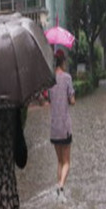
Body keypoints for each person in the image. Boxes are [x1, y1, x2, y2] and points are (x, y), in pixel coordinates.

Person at [48, 48, 76, 196]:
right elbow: (72, 101)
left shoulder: (50, 79)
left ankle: (59, 190)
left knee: (59, 161)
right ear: (63, 61)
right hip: (64, 127)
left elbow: (47, 100)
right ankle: (61, 185)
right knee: (67, 162)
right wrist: (71, 97)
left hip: (54, 128)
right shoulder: (67, 78)